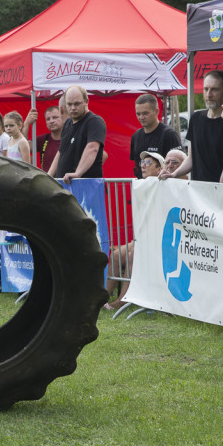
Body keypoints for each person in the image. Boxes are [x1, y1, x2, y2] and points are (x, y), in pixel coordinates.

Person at [106, 152, 164, 308]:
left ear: (159, 168)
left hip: (159, 238)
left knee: (132, 255)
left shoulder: (165, 186)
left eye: (148, 162)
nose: (143, 165)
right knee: (116, 255)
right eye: (141, 162)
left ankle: (123, 300)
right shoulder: (141, 185)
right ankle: (102, 299)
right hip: (143, 236)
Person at [161, 70, 223, 183]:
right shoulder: (196, 118)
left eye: (214, 89)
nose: (209, 94)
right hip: (199, 189)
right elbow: (191, 158)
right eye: (206, 89)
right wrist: (173, 174)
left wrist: (222, 186)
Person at [49, 85, 106, 182]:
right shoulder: (67, 123)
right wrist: (49, 175)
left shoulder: (94, 121)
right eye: (69, 104)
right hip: (66, 187)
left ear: (86, 101)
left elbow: (92, 148)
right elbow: (60, 152)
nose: (73, 108)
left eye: (77, 104)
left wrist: (77, 173)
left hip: (86, 187)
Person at [129, 94, 182, 179]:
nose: (141, 117)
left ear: (157, 111)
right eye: (138, 114)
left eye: (145, 113)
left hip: (163, 187)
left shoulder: (169, 135)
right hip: (142, 187)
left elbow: (179, 166)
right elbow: (137, 167)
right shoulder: (136, 136)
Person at [36, 106, 64, 173]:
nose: (51, 121)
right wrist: (27, 122)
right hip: (47, 182)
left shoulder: (71, 138)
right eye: (48, 119)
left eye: (55, 117)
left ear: (63, 118)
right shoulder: (43, 139)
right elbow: (21, 145)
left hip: (67, 181)